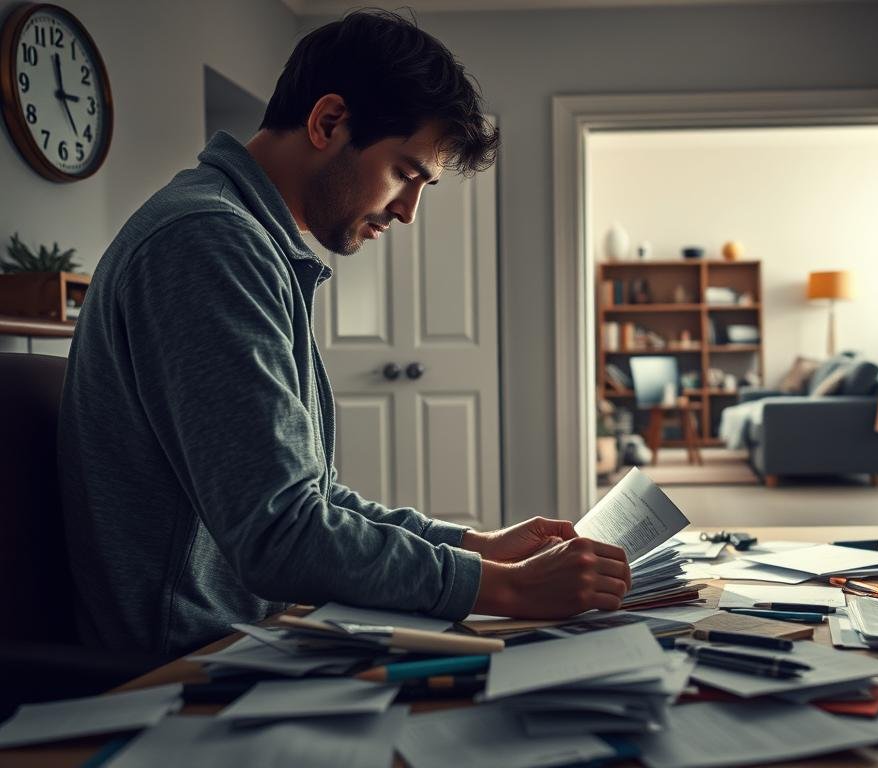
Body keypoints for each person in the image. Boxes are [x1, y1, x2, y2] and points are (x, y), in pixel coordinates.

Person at [58, 10, 629, 656]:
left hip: (256, 636)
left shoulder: (245, 241)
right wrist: (507, 590)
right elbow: (285, 537)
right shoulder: (208, 244)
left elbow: (311, 501)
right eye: (407, 174)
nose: (409, 212)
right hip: (185, 669)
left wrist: (476, 547)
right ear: (328, 123)